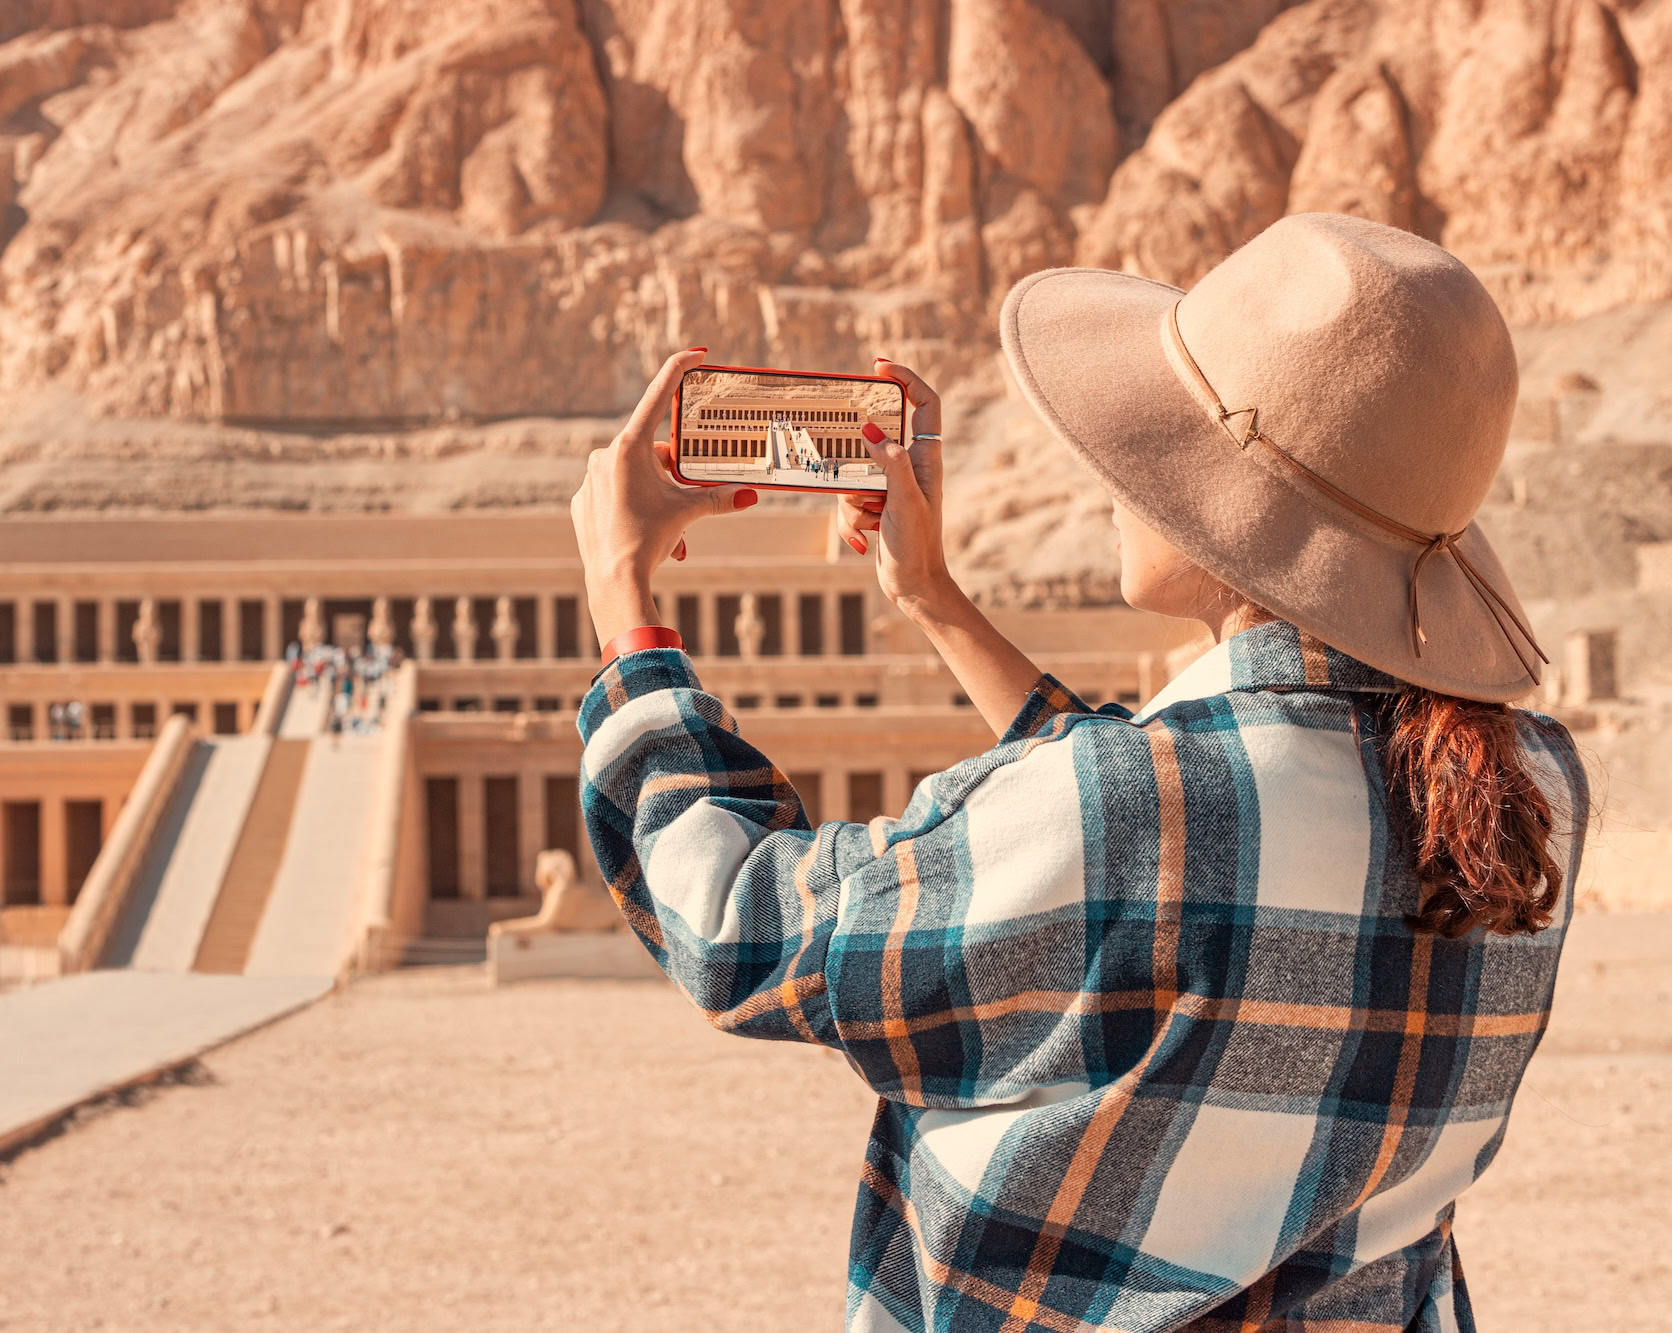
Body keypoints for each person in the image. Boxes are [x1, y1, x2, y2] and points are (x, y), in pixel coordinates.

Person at [568, 215, 1587, 1331]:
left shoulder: (1134, 812)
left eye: (1152, 445)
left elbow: (742, 930)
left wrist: (627, 608)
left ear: (1230, 518)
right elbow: (1182, 831)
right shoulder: (1528, 793)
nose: (1113, 474)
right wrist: (934, 602)